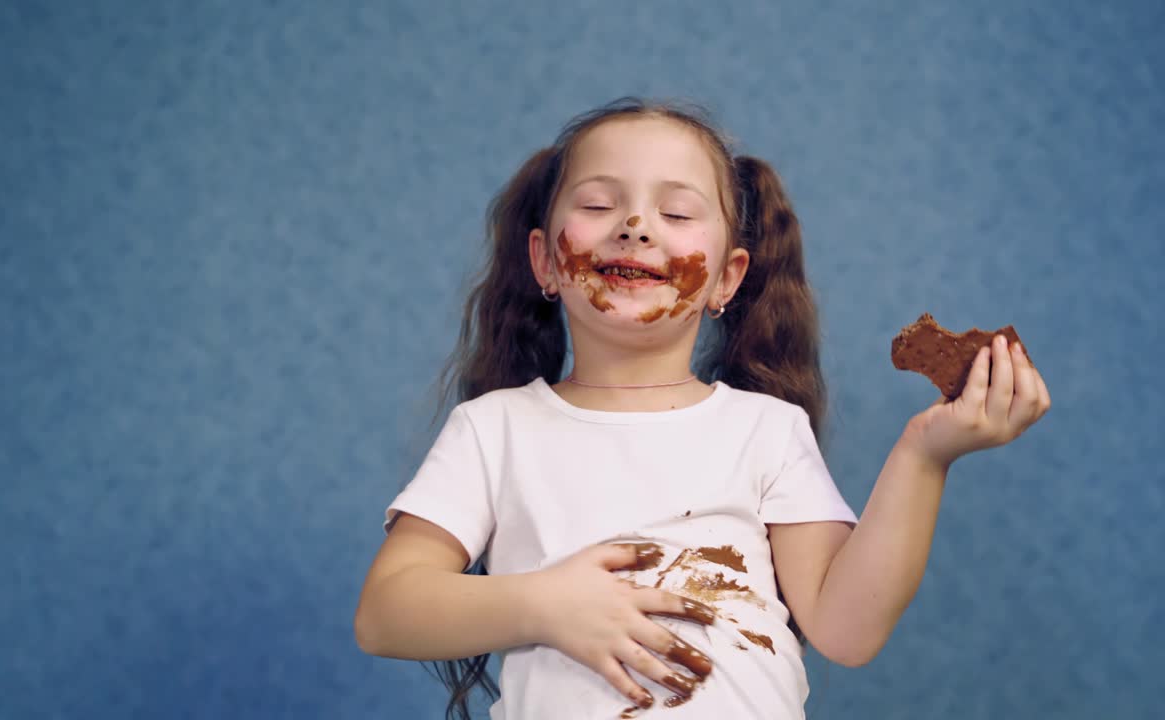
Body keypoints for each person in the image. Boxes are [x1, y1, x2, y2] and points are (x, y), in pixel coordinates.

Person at [353, 97, 1051, 719]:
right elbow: (386, 612)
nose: (634, 224)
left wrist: (924, 456)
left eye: (677, 212)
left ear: (727, 277)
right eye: (598, 204)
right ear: (543, 261)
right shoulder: (495, 429)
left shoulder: (766, 431)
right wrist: (547, 604)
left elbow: (847, 629)